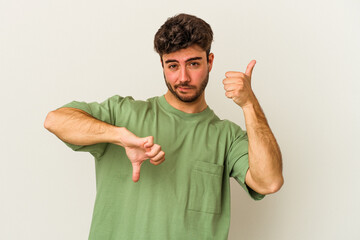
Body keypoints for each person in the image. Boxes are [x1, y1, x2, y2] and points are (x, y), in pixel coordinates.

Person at [44, 13, 283, 240]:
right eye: (172, 66)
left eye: (193, 64)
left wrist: (249, 104)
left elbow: (269, 182)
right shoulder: (123, 114)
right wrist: (118, 136)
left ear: (210, 62)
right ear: (162, 65)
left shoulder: (227, 137)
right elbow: (54, 120)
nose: (183, 78)